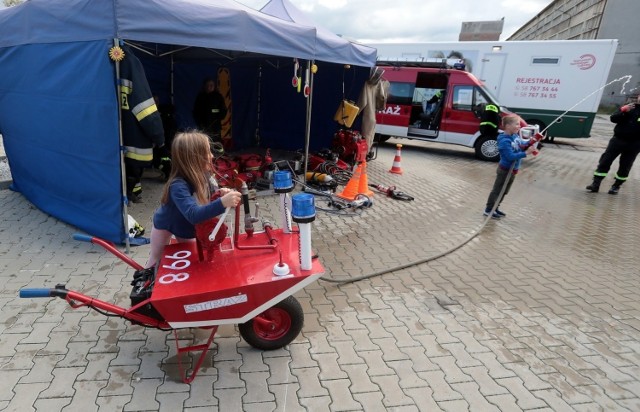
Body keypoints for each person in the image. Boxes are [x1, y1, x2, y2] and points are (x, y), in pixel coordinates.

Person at [144, 131, 241, 269]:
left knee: (191, 258)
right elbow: (193, 215)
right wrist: (222, 202)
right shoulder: (177, 185)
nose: (212, 155)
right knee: (156, 261)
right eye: (207, 152)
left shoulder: (205, 176)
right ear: (194, 158)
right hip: (166, 225)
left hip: (186, 227)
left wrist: (220, 194)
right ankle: (146, 286)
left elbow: (210, 197)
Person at [119, 45, 165, 203]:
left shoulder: (95, 61)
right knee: (132, 166)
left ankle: (132, 190)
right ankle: (132, 192)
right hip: (133, 139)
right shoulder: (130, 63)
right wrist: (159, 137)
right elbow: (145, 109)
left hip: (108, 141)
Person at [483, 114, 540, 219]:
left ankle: (495, 208)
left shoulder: (515, 136)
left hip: (513, 170)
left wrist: (533, 140)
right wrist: (526, 153)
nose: (519, 126)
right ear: (508, 126)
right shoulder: (504, 141)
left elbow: (522, 144)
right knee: (498, 190)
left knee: (504, 191)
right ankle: (489, 210)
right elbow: (510, 156)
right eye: (517, 124)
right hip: (505, 170)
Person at [586, 94, 640, 194]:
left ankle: (616, 186)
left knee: (625, 165)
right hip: (618, 140)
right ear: (638, 97)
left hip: (635, 144)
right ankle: (595, 184)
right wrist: (623, 111)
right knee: (605, 161)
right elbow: (613, 118)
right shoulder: (628, 107)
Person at [192, 78, 227, 148]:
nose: (209, 87)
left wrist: (218, 118)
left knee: (216, 143)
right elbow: (195, 111)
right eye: (207, 85)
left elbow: (223, 110)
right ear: (204, 86)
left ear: (214, 86)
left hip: (215, 125)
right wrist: (199, 122)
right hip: (203, 125)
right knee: (204, 143)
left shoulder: (218, 97)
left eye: (211, 85)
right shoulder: (200, 97)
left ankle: (217, 156)